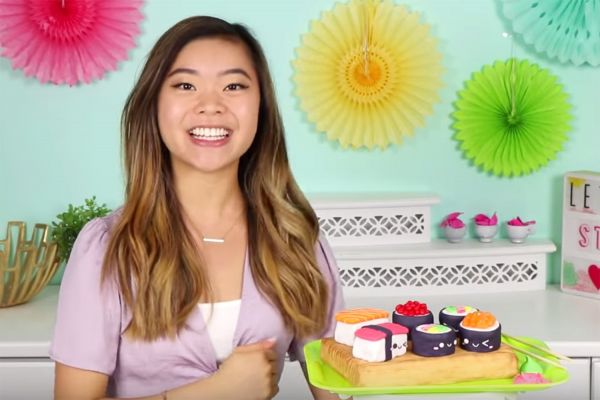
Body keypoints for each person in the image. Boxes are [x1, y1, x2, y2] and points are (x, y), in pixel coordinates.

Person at [50, 16, 346, 400]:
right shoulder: (106, 249)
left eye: (234, 85)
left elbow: (337, 389)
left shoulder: (296, 240)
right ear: (154, 105)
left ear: (262, 107)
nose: (211, 106)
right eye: (185, 85)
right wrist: (217, 391)